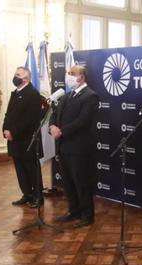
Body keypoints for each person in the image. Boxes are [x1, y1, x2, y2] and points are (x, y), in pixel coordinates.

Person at [49, 65, 100, 228]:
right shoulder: (66, 96)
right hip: (63, 147)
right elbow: (54, 116)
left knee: (81, 182)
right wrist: (52, 127)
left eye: (72, 74)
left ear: (82, 77)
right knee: (68, 183)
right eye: (68, 73)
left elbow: (82, 121)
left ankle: (87, 215)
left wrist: (62, 131)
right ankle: (73, 210)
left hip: (79, 148)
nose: (69, 76)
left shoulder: (90, 96)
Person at [3, 67, 43, 208]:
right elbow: (8, 114)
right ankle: (27, 194)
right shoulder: (15, 93)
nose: (15, 77)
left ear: (26, 78)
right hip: (14, 140)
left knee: (31, 169)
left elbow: (29, 120)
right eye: (15, 74)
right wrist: (5, 130)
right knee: (20, 169)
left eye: (18, 75)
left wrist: (13, 132)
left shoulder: (33, 94)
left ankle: (38, 196)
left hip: (27, 140)